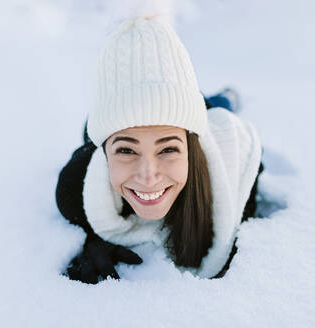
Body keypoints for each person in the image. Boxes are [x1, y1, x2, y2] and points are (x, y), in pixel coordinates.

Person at [55, 16, 264, 284]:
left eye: (167, 150)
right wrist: (96, 236)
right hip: (115, 111)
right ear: (105, 152)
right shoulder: (76, 189)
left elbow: (250, 170)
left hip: (192, 106)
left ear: (190, 147)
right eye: (126, 151)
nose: (148, 176)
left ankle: (228, 95)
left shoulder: (234, 153)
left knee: (213, 103)